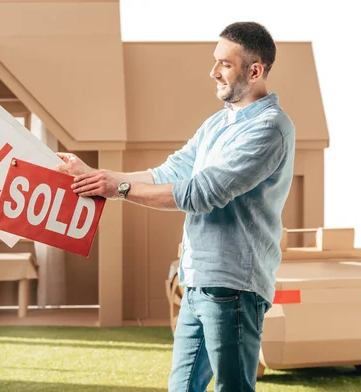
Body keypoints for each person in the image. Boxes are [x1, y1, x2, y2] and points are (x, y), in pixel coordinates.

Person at [56, 21, 295, 392]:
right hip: (196, 281)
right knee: (182, 387)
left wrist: (117, 188)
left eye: (225, 64)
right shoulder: (218, 123)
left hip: (233, 286)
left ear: (255, 70)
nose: (213, 72)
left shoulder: (269, 129)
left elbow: (202, 193)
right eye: (215, 61)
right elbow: (169, 171)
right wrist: (97, 176)